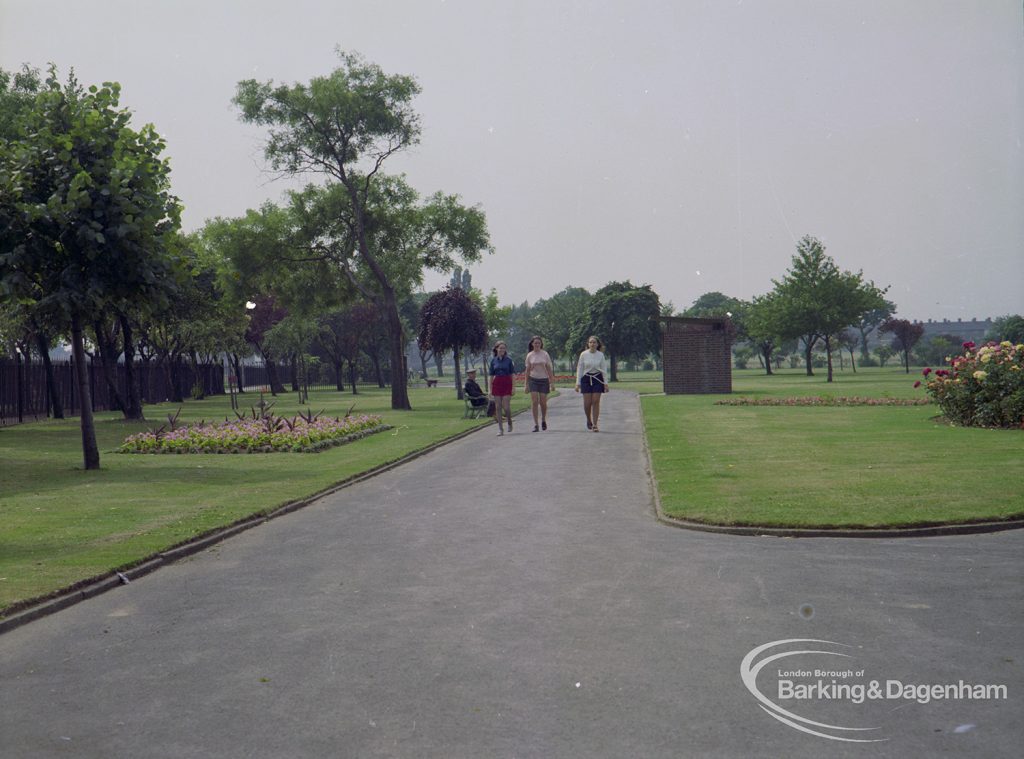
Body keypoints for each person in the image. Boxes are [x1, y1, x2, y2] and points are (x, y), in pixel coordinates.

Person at [575, 335, 609, 432]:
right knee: (587, 403)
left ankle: (595, 424)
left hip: (597, 379)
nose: (592, 344)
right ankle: (588, 420)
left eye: (594, 342)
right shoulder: (583, 354)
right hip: (586, 378)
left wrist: (605, 383)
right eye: (590, 342)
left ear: (597, 344)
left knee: (595, 401)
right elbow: (580, 369)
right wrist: (578, 383)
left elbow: (604, 369)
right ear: (588, 344)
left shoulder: (600, 355)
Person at [524, 335, 555, 432]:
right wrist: (526, 384)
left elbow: (549, 369)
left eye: (538, 343)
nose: (537, 344)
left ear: (541, 344)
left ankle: (543, 420)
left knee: (543, 402)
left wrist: (552, 382)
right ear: (532, 344)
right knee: (534, 401)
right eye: (535, 343)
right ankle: (536, 424)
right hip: (533, 379)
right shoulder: (530, 355)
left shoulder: (545, 354)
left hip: (544, 380)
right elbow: (527, 370)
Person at [489, 341, 516, 435]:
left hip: (507, 383)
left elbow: (512, 374)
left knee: (506, 407)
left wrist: (513, 387)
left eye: (503, 348)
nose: (502, 350)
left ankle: (509, 421)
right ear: (496, 349)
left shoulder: (509, 360)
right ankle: (500, 429)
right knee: (498, 407)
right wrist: (490, 389)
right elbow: (491, 376)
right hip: (497, 383)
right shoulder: (493, 361)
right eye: (500, 348)